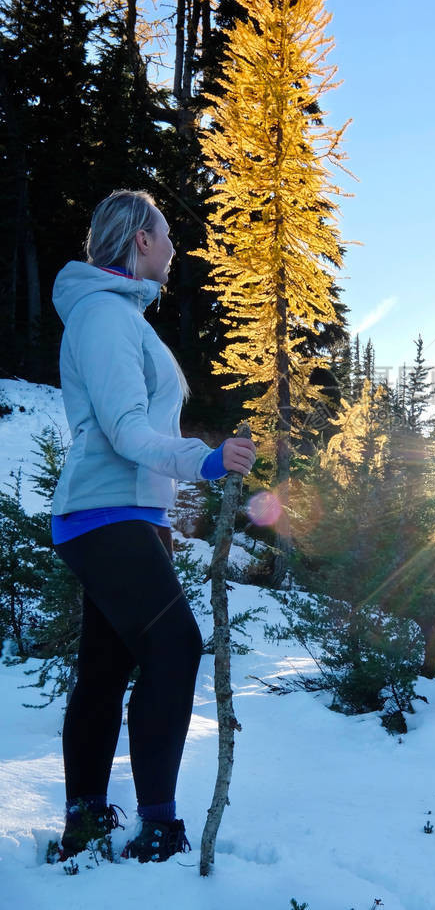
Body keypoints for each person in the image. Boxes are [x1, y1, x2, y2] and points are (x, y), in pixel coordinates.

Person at [49, 190, 256, 863]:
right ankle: (159, 826)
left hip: (130, 512)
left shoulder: (120, 314)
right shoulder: (104, 315)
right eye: (166, 234)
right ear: (140, 240)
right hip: (106, 510)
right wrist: (202, 460)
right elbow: (126, 428)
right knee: (173, 645)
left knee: (106, 667)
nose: (174, 247)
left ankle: (85, 817)